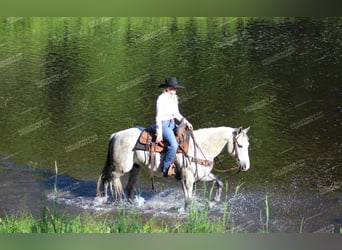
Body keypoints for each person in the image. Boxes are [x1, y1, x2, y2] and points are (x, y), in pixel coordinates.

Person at [155, 76, 193, 177]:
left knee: (186, 136)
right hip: (164, 125)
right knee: (173, 145)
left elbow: (177, 114)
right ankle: (166, 168)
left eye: (175, 88)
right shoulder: (161, 99)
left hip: (172, 124)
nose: (174, 90)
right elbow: (158, 117)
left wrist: (187, 122)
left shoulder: (174, 98)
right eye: (172, 88)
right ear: (166, 88)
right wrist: (159, 133)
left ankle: (185, 163)